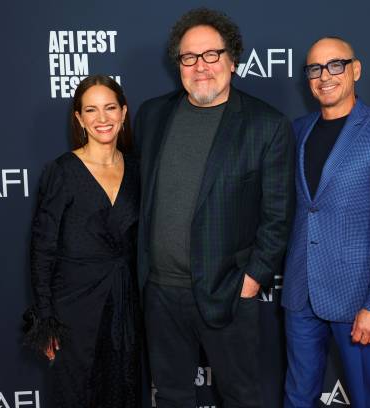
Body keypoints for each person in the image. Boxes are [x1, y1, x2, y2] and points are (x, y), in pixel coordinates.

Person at [134, 8, 295, 407]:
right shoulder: (152, 115)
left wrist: (251, 281)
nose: (200, 66)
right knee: (170, 397)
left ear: (232, 60)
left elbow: (277, 216)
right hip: (160, 292)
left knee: (241, 397)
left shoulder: (266, 124)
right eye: (189, 57)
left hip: (229, 290)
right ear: (178, 65)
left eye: (211, 54)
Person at [281, 37, 370, 408]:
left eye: (335, 65)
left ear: (355, 70)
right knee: (297, 397)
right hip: (300, 293)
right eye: (315, 69)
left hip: (357, 299)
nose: (325, 76)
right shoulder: (297, 130)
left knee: (366, 398)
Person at [22, 75, 141, 408]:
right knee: (77, 394)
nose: (102, 118)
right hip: (74, 309)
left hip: (126, 306)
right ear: (79, 118)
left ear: (123, 113)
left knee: (124, 391)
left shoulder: (138, 170)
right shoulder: (62, 171)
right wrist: (46, 320)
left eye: (110, 108)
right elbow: (42, 249)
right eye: (91, 110)